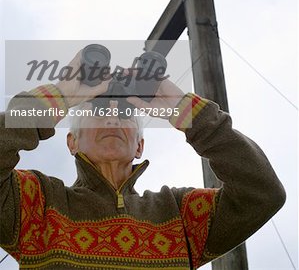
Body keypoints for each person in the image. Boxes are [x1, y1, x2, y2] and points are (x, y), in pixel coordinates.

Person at [0, 50, 286, 270]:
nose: (112, 117)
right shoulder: (36, 204)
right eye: (98, 112)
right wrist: (60, 96)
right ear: (71, 142)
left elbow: (262, 194)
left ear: (140, 145)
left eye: (125, 115)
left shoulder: (179, 215)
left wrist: (185, 111)